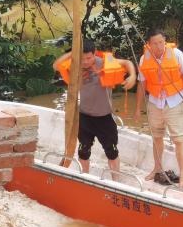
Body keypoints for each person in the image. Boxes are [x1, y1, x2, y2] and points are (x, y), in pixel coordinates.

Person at [53, 39, 136, 174]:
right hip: (85, 117)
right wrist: (73, 53)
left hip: (104, 117)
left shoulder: (104, 63)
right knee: (83, 151)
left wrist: (132, 76)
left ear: (94, 54)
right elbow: (56, 65)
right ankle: (85, 177)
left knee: (112, 151)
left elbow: (127, 63)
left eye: (88, 58)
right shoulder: (75, 66)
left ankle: (116, 181)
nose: (85, 61)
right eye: (82, 58)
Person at [134, 28, 183, 188]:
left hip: (175, 101)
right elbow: (142, 84)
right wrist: (138, 108)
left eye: (161, 42)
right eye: (155, 43)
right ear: (149, 44)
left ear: (165, 42)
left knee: (179, 140)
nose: (159, 46)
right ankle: (157, 168)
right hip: (154, 103)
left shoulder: (177, 54)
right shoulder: (143, 59)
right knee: (157, 137)